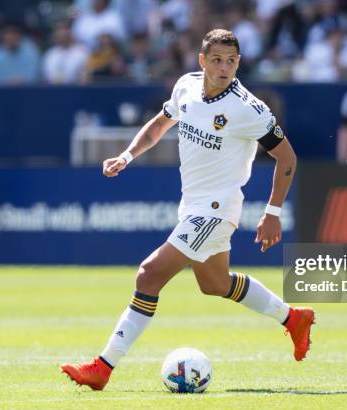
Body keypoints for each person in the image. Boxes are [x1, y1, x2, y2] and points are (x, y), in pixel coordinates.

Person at [60, 29, 315, 390]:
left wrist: (272, 211)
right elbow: (160, 124)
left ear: (238, 63)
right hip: (192, 204)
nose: (224, 67)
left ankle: (102, 367)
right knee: (214, 283)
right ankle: (293, 318)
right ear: (201, 61)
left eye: (231, 61)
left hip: (216, 207)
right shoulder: (186, 87)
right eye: (217, 60)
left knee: (149, 274)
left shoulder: (249, 108)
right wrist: (127, 155)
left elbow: (286, 157)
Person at [42, 20, 89, 85]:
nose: (59, 33)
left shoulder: (82, 52)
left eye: (63, 29)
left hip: (75, 91)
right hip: (52, 92)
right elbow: (46, 80)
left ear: (70, 31)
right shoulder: (50, 54)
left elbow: (85, 81)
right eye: (57, 30)